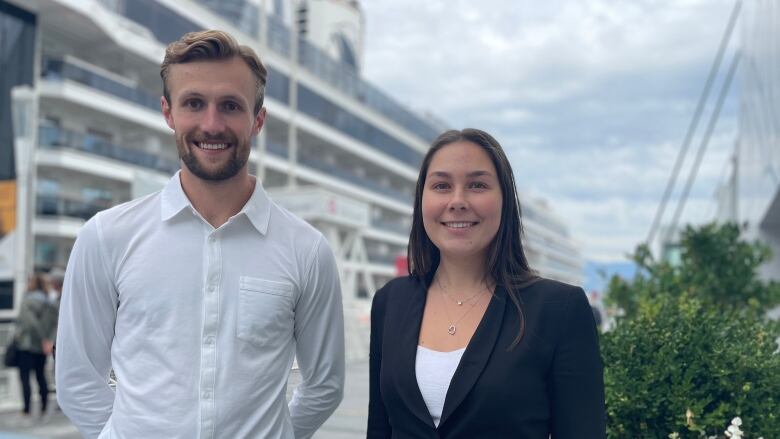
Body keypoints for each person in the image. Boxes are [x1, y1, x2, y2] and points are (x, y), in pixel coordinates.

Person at [56, 30, 345, 439]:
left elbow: (325, 385)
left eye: (230, 106)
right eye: (194, 103)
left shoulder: (307, 250)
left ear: (257, 120)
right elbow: (77, 379)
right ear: (168, 112)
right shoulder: (106, 237)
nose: (212, 124)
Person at [367, 129, 606, 438]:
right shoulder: (390, 301)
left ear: (504, 199)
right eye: (441, 185)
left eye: (477, 185)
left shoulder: (559, 310)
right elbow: (379, 430)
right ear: (421, 200)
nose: (457, 200)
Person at [15, 273, 56, 418]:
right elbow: (52, 324)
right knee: (41, 376)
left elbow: (28, 323)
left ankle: (26, 409)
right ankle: (44, 407)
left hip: (26, 345)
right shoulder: (49, 302)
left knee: (25, 378)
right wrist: (46, 339)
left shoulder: (27, 301)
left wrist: (41, 336)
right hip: (42, 346)